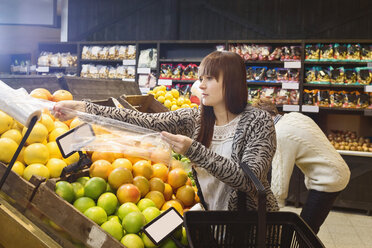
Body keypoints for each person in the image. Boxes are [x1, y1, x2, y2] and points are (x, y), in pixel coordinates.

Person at [54, 51, 279, 212]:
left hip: (252, 228)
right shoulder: (196, 118)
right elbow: (141, 120)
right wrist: (83, 109)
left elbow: (247, 180)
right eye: (201, 78)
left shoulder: (258, 122)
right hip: (213, 223)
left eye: (209, 78)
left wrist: (194, 151)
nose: (201, 85)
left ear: (231, 82)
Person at [253, 98, 350, 233]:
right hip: (337, 170)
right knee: (307, 227)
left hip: (329, 178)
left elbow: (280, 185)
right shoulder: (295, 116)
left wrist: (270, 211)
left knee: (304, 231)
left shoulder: (279, 135)